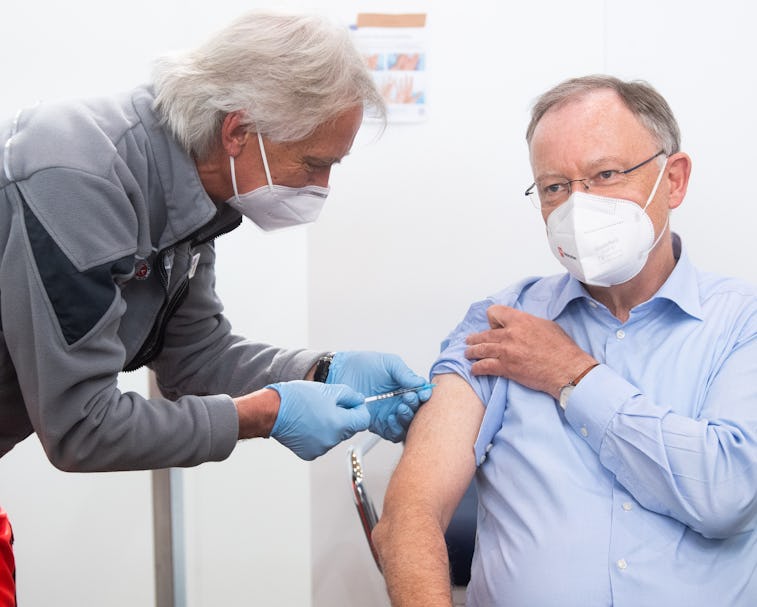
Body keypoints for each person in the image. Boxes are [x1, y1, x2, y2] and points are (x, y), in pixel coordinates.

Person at [0, 11, 433, 605]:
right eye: (314, 163)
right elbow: (82, 428)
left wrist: (321, 371)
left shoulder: (198, 189)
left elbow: (195, 357)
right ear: (238, 131)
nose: (324, 186)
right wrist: (264, 414)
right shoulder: (76, 174)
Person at [372, 74, 757, 606]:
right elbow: (410, 514)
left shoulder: (743, 323)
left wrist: (574, 374)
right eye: (555, 187)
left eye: (604, 174)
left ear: (673, 179)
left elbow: (726, 495)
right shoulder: (500, 324)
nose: (579, 205)